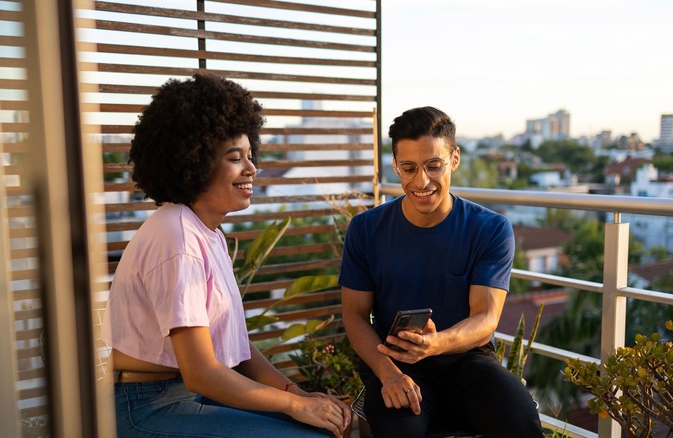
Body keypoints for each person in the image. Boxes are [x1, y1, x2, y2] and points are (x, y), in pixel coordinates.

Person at [103, 74, 350, 438]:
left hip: (188, 395)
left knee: (325, 428)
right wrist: (296, 406)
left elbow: (237, 345)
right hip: (144, 407)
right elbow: (202, 371)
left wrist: (296, 393)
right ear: (196, 161)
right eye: (236, 158)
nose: (251, 168)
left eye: (251, 156)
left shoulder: (207, 234)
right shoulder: (177, 237)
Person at [339, 106, 543, 437]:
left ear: (455, 159)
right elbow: (355, 317)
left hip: (468, 361)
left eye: (434, 166)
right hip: (397, 364)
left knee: (521, 420)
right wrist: (388, 374)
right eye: (408, 168)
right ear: (395, 166)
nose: (422, 181)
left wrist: (435, 343)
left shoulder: (490, 229)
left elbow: (486, 319)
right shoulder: (365, 229)